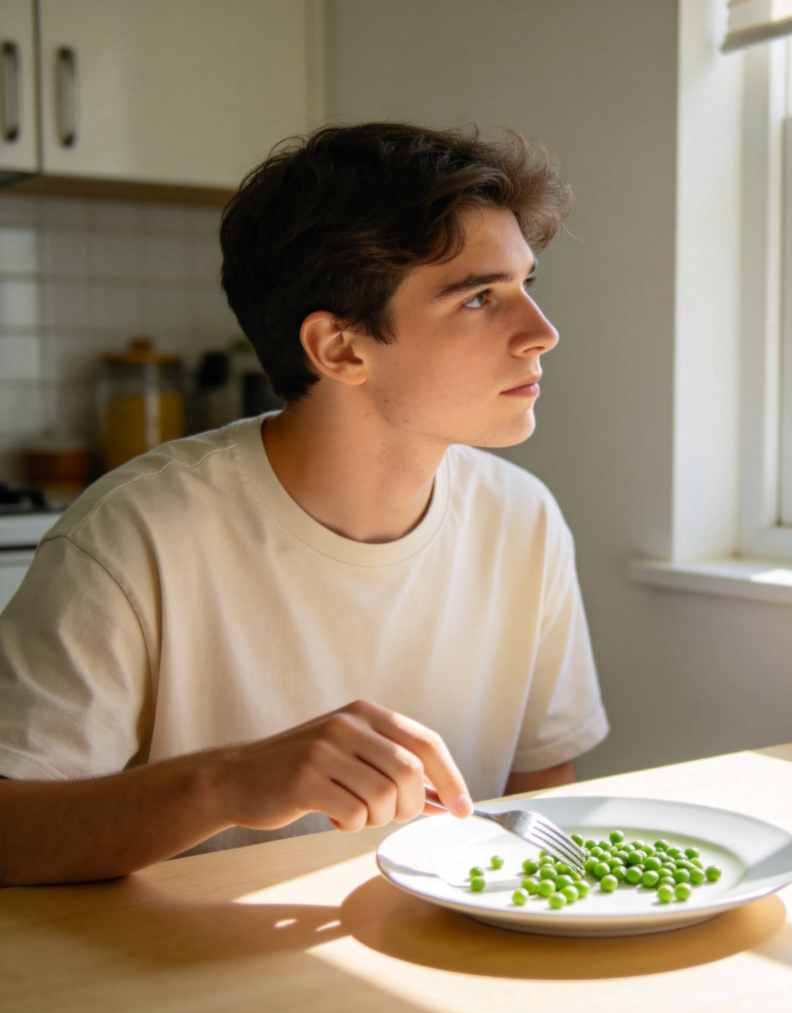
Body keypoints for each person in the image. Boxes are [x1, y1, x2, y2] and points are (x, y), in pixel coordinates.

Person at [0, 122, 608, 886]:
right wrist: (227, 782)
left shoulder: (524, 520)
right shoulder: (134, 535)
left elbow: (540, 785)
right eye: (481, 298)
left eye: (527, 287)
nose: (542, 334)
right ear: (340, 349)